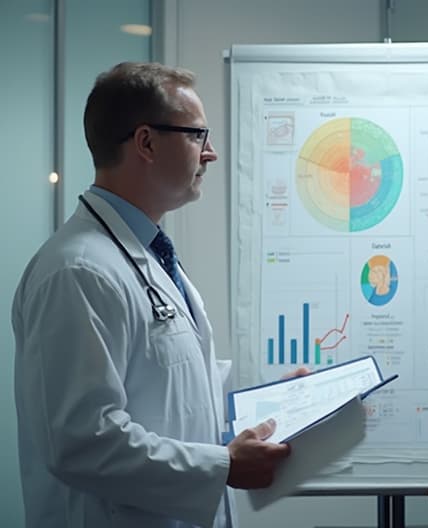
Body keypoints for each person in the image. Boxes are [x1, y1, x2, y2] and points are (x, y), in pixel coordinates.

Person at [12, 62, 293, 528]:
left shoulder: (145, 254)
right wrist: (221, 466)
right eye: (198, 135)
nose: (212, 153)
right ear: (145, 143)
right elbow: (83, 441)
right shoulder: (77, 271)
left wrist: (274, 393)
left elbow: (173, 385)